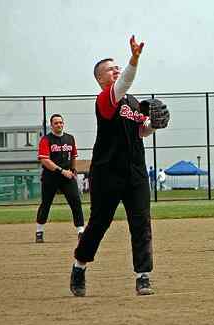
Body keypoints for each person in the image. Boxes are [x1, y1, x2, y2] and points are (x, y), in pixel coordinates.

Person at [71, 35, 166, 297]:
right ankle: (79, 265)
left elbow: (140, 131)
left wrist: (153, 126)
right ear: (101, 79)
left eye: (117, 67)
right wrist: (134, 59)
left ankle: (143, 276)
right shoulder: (105, 99)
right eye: (111, 69)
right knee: (99, 222)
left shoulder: (133, 102)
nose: (116, 70)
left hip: (135, 170)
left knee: (141, 222)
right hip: (107, 171)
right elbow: (125, 81)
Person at [35, 114, 84, 243]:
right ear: (51, 125)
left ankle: (80, 231)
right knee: (46, 204)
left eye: (61, 122)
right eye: (56, 123)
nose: (59, 125)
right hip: (50, 177)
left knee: (75, 201)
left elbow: (73, 156)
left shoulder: (70, 138)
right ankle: (39, 231)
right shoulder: (46, 140)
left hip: (67, 176)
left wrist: (73, 170)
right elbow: (45, 160)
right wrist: (62, 171)